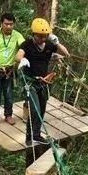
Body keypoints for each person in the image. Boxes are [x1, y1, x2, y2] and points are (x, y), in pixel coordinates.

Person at [15, 17, 69, 146]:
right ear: (34, 35)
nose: (42, 39)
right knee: (34, 109)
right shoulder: (27, 44)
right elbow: (18, 55)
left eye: (45, 36)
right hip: (30, 82)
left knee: (42, 109)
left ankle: (37, 134)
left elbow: (66, 53)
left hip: (43, 82)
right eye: (40, 36)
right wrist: (21, 60)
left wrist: (56, 42)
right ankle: (29, 135)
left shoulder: (49, 45)